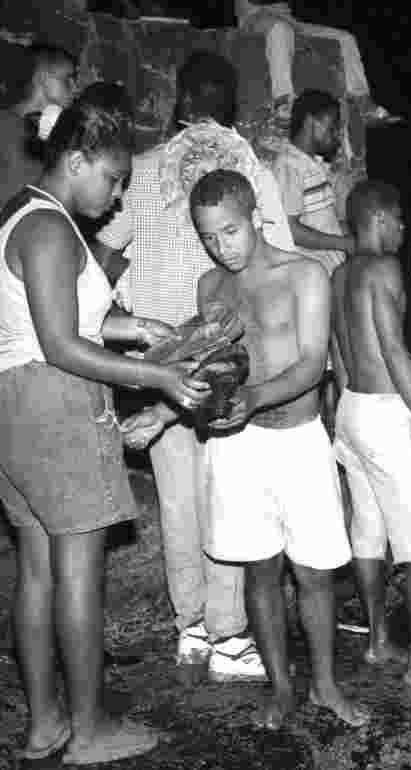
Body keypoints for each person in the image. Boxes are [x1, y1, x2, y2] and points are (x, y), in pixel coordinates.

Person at [0, 85, 210, 764]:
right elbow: (60, 343)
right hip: (56, 405)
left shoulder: (21, 216)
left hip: (15, 407)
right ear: (80, 159)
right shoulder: (51, 229)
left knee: (38, 572)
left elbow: (49, 319)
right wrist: (160, 376)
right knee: (80, 575)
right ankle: (90, 731)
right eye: (114, 179)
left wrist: (131, 327)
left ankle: (46, 725)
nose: (117, 197)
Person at [92, 51, 297, 683]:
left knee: (179, 503)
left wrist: (122, 313)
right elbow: (281, 258)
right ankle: (230, 633)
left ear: (180, 103)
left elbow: (100, 254)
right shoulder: (246, 171)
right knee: (226, 499)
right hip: (225, 357)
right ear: (231, 105)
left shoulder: (147, 169)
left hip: (154, 360)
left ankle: (193, 632)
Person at [187, 169, 366, 730]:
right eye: (209, 237)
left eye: (231, 232)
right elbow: (206, 364)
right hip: (236, 443)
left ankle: (326, 687)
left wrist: (254, 396)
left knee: (313, 572)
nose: (222, 247)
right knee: (260, 572)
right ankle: (282, 688)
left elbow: (314, 364)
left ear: (256, 216)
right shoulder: (210, 287)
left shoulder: (304, 274)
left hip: (296, 438)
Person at [332, 179, 411, 695]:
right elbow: (392, 348)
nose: (406, 228)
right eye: (401, 219)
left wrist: (347, 408)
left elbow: (339, 353)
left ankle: (379, 640)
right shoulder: (383, 269)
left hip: (351, 408)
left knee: (368, 530)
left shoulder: (340, 275)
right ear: (380, 219)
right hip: (384, 414)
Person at [233, 0, 398, 128]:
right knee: (280, 30)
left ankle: (363, 104)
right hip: (255, 18)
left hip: (288, 19)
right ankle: (283, 103)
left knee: (345, 38)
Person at [272, 88, 353, 276]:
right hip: (311, 278)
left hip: (329, 272)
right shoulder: (288, 166)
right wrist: (343, 243)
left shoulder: (313, 165)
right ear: (310, 122)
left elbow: (322, 225)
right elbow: (289, 229)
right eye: (332, 127)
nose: (337, 135)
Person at [0, 43, 77, 206]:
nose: (75, 88)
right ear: (43, 79)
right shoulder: (5, 125)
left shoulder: (49, 136)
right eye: (67, 79)